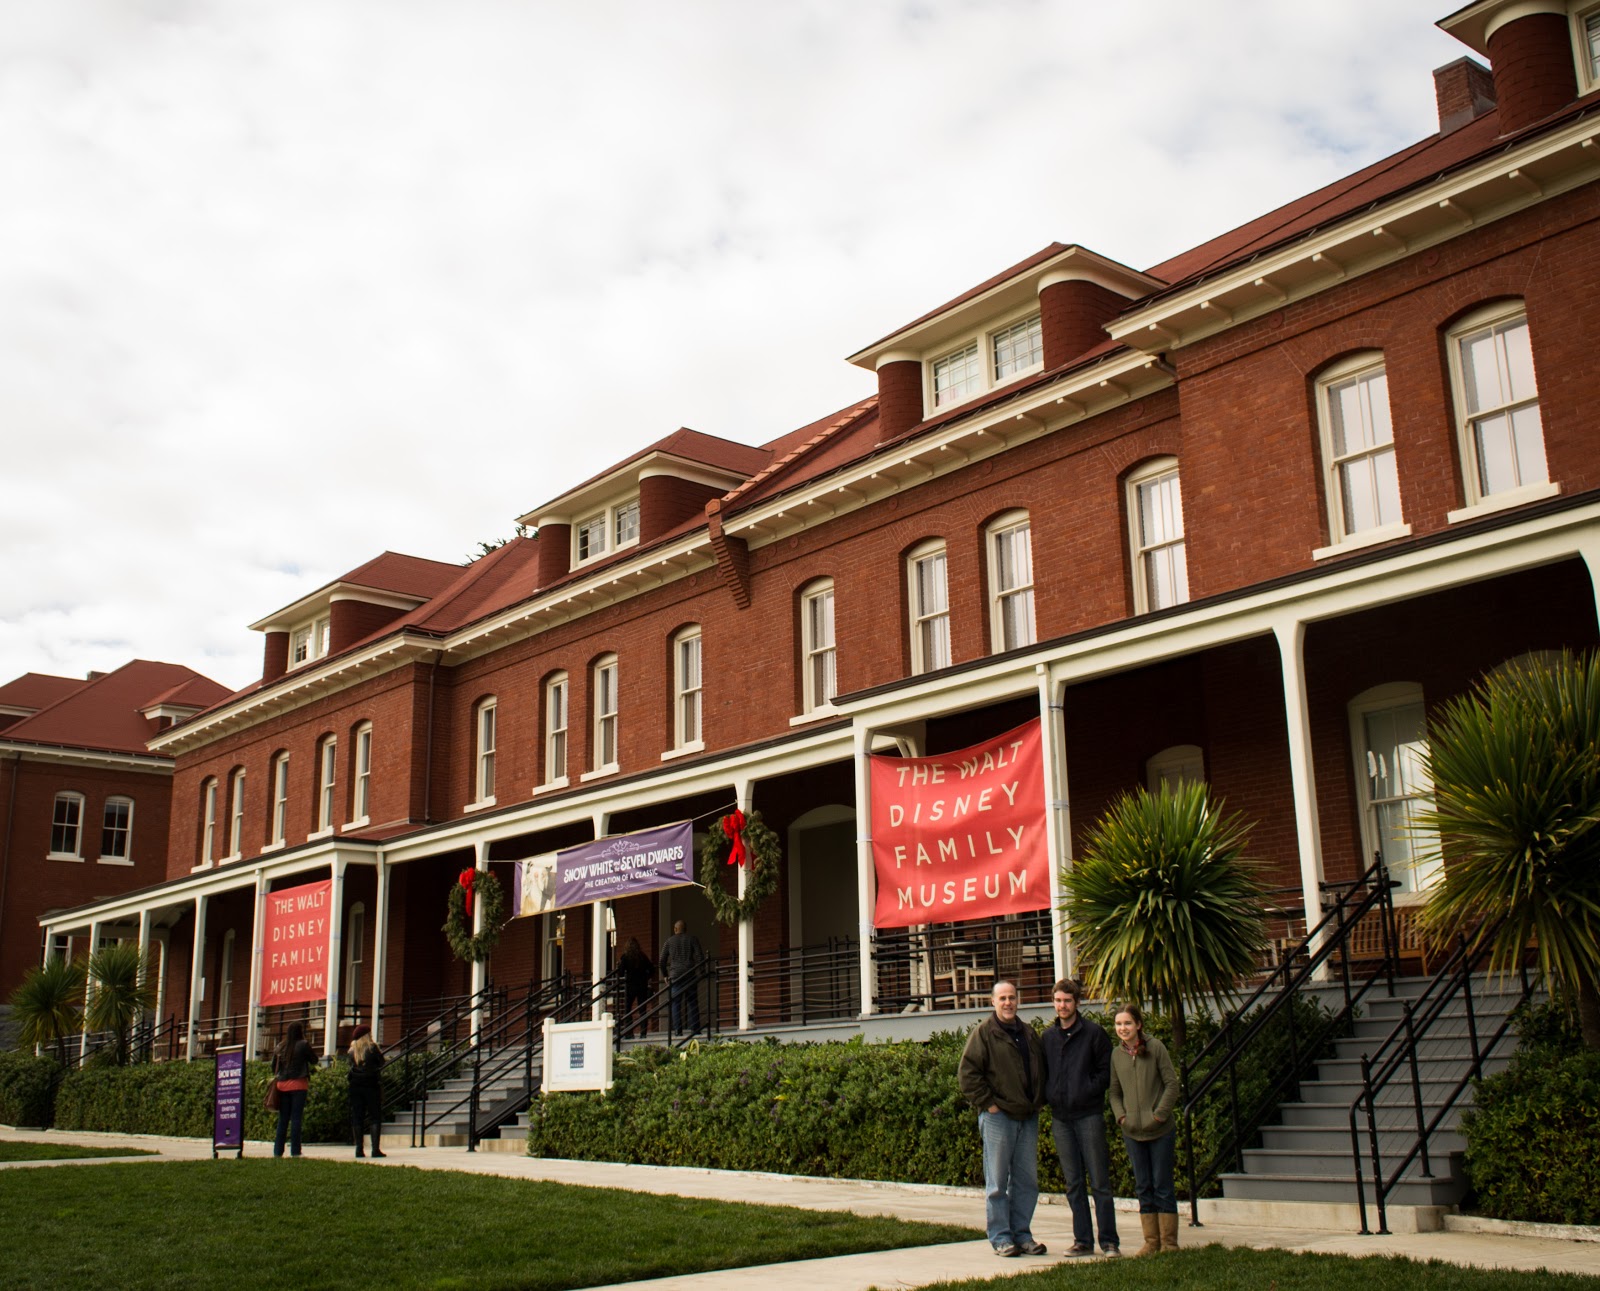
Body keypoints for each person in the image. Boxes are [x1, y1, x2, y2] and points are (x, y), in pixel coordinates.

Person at [957, 980, 1048, 1259]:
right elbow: (968, 1074)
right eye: (1003, 998)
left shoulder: (1029, 1033)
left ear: (1018, 1001)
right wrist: (989, 1104)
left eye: (1012, 997)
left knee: (1026, 1181)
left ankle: (1022, 1235)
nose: (1008, 1002)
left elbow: (1040, 1069)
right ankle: (1001, 1238)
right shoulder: (984, 1034)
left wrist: (1038, 1101)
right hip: (999, 1118)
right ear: (993, 1002)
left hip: (1027, 1117)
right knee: (997, 1182)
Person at [1041, 978, 1119, 1257]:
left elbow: (1105, 1072)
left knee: (1099, 1181)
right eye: (1058, 1000)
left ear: (1076, 1003)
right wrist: (1050, 1095)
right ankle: (1082, 1240)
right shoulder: (1048, 1038)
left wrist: (1085, 1091)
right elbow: (1044, 1073)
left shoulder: (1094, 1034)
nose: (1062, 1006)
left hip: (1088, 1116)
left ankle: (1109, 1241)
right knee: (1073, 1183)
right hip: (1061, 1119)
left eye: (1067, 1001)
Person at [1108, 1002, 1180, 1254]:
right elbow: (1114, 1092)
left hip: (1160, 1131)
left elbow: (1171, 1084)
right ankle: (1151, 1242)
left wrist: (1159, 1115)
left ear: (1138, 1024)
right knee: (1143, 1185)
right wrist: (1122, 1117)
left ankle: (1169, 1243)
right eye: (1118, 1024)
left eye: (1127, 1023)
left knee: (1162, 1184)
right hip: (1132, 1133)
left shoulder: (1156, 1047)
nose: (1123, 1028)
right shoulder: (1116, 1055)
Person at [272, 1021, 316, 1158]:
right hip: (298, 1084)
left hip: (282, 1085)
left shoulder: (280, 1046)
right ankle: (295, 1151)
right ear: (300, 1031)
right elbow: (314, 1060)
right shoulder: (303, 1044)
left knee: (283, 1119)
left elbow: (273, 1067)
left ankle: (278, 1151)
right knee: (296, 1118)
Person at [346, 1024, 387, 1159]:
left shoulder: (352, 1051)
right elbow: (382, 1063)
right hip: (371, 1085)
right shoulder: (372, 1048)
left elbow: (349, 1065)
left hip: (355, 1086)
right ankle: (375, 1149)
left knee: (357, 1116)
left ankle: (359, 1149)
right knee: (375, 1116)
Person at [658, 919, 702, 1034]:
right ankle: (695, 1028)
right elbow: (699, 956)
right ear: (685, 929)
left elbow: (662, 961)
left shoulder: (669, 941)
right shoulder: (692, 939)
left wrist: (665, 975)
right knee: (692, 1001)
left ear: (675, 929)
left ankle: (678, 1030)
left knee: (676, 1003)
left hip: (675, 975)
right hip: (690, 973)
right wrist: (702, 972)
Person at [617, 936, 655, 1038]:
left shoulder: (625, 957)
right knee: (642, 1010)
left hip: (630, 986)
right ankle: (643, 1033)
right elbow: (652, 969)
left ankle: (629, 1033)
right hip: (642, 985)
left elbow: (620, 973)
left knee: (627, 1009)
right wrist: (646, 977)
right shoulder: (642, 956)